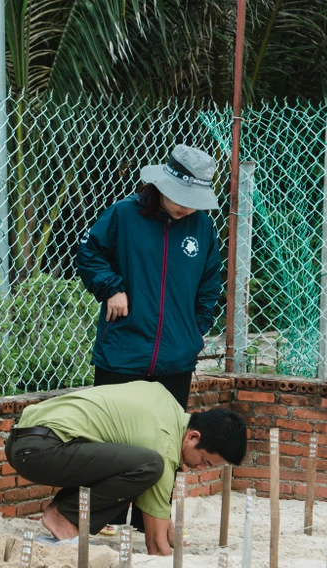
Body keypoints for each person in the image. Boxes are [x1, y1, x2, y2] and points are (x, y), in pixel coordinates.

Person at [76, 144, 224, 534]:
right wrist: (111, 288)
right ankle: (102, 520)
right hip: (122, 353)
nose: (185, 208)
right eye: (180, 199)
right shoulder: (123, 215)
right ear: (161, 184)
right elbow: (89, 255)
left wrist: (195, 328)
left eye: (194, 202)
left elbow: (210, 284)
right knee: (109, 442)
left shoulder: (203, 229)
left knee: (165, 447)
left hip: (176, 360)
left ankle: (148, 523)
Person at [6, 382, 247, 555]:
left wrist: (169, 532)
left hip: (23, 439)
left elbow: (159, 508)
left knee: (140, 465)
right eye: (205, 461)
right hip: (39, 451)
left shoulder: (164, 402)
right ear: (193, 437)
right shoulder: (161, 444)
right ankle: (64, 516)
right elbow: (155, 545)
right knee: (149, 467)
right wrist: (167, 553)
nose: (200, 469)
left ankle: (64, 512)